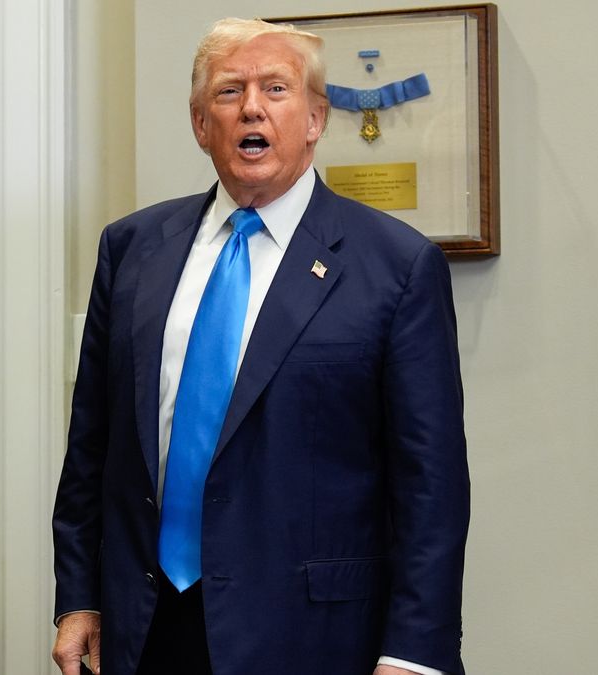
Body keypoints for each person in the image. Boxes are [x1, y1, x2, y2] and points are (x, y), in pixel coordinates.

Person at [52, 17, 469, 675]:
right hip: (146, 628)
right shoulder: (132, 250)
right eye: (229, 91)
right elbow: (91, 450)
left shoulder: (395, 266)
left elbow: (431, 486)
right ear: (199, 123)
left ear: (315, 118)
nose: (252, 107)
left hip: (313, 637)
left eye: (276, 88)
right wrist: (77, 596)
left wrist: (415, 652)